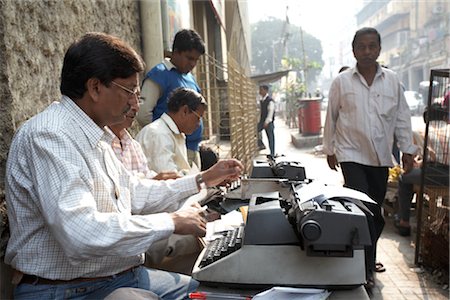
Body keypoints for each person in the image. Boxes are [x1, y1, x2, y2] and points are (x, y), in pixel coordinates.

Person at [4, 32, 243, 300]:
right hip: (66, 290)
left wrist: (202, 180)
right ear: (95, 88)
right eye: (129, 91)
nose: (134, 103)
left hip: (118, 277)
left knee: (211, 292)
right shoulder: (50, 135)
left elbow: (135, 192)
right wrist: (171, 221)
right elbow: (81, 233)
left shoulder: (97, 138)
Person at [322, 27, 418, 288]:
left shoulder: (392, 81)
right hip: (351, 154)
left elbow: (401, 117)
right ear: (353, 51)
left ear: (379, 49)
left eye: (371, 46)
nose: (367, 51)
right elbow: (331, 116)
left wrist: (407, 148)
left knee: (375, 214)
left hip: (380, 157)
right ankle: (363, 269)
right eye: (361, 47)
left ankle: (366, 259)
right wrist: (330, 150)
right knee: (362, 211)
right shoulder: (342, 82)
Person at [137, 29, 205, 169]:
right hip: (169, 148)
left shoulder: (190, 78)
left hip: (191, 147)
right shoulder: (159, 75)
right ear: (176, 52)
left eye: (196, 60)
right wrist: (166, 136)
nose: (193, 64)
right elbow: (143, 113)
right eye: (189, 58)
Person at [396, 104, 449, 236]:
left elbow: (410, 162)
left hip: (429, 175)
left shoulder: (420, 131)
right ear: (444, 117)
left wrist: (410, 167)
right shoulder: (448, 129)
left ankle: (404, 221)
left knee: (404, 179)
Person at [136, 87, 207, 174]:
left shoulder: (174, 133)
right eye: (198, 118)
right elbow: (168, 178)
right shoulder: (159, 134)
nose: (198, 123)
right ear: (185, 111)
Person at [257, 85, 275, 156]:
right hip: (262, 121)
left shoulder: (270, 101)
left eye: (261, 90)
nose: (260, 91)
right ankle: (260, 144)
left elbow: (271, 112)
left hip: (268, 122)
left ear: (265, 91)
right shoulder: (262, 100)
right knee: (255, 132)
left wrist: (267, 122)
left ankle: (272, 153)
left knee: (270, 138)